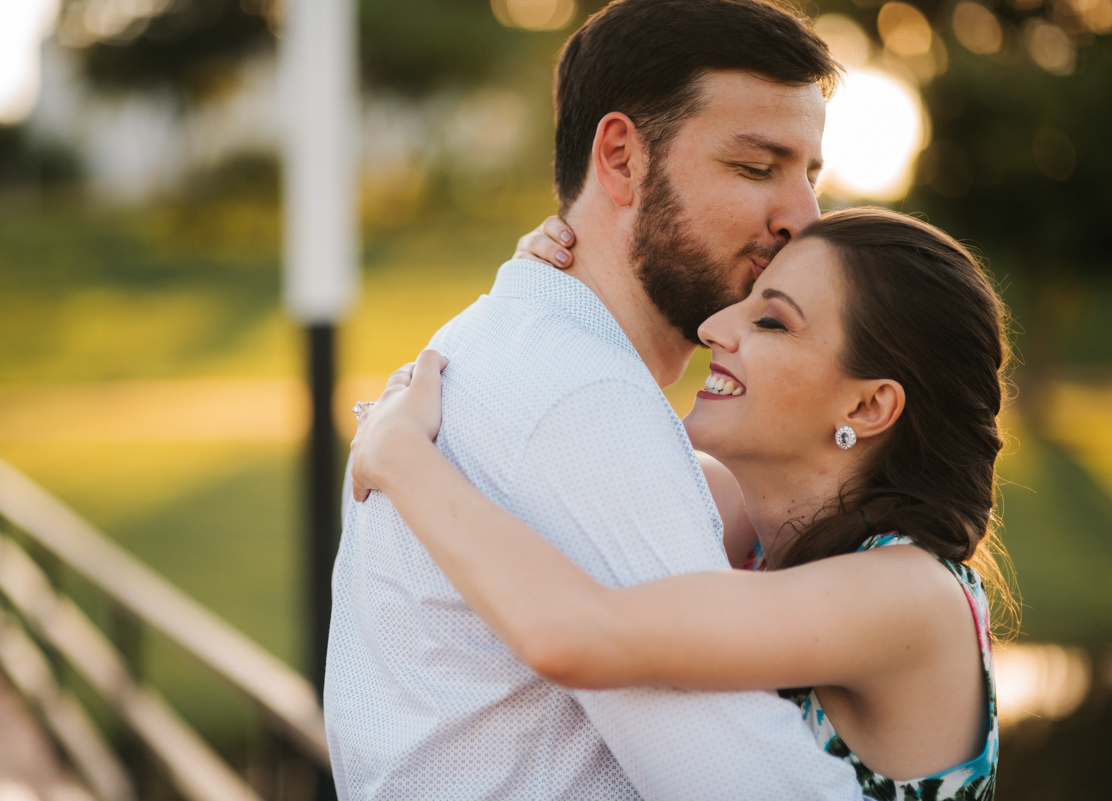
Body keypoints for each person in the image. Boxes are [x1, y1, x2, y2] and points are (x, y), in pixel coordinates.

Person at [323, 0, 865, 797]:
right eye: (756, 167)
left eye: (810, 176)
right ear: (620, 158)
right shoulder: (580, 400)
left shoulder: (515, 344)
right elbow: (743, 779)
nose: (804, 220)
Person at [350, 207, 1008, 801]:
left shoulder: (910, 595)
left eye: (771, 319)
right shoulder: (750, 518)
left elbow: (575, 633)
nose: (715, 326)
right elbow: (564, 475)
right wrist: (546, 297)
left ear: (867, 406)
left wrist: (401, 454)